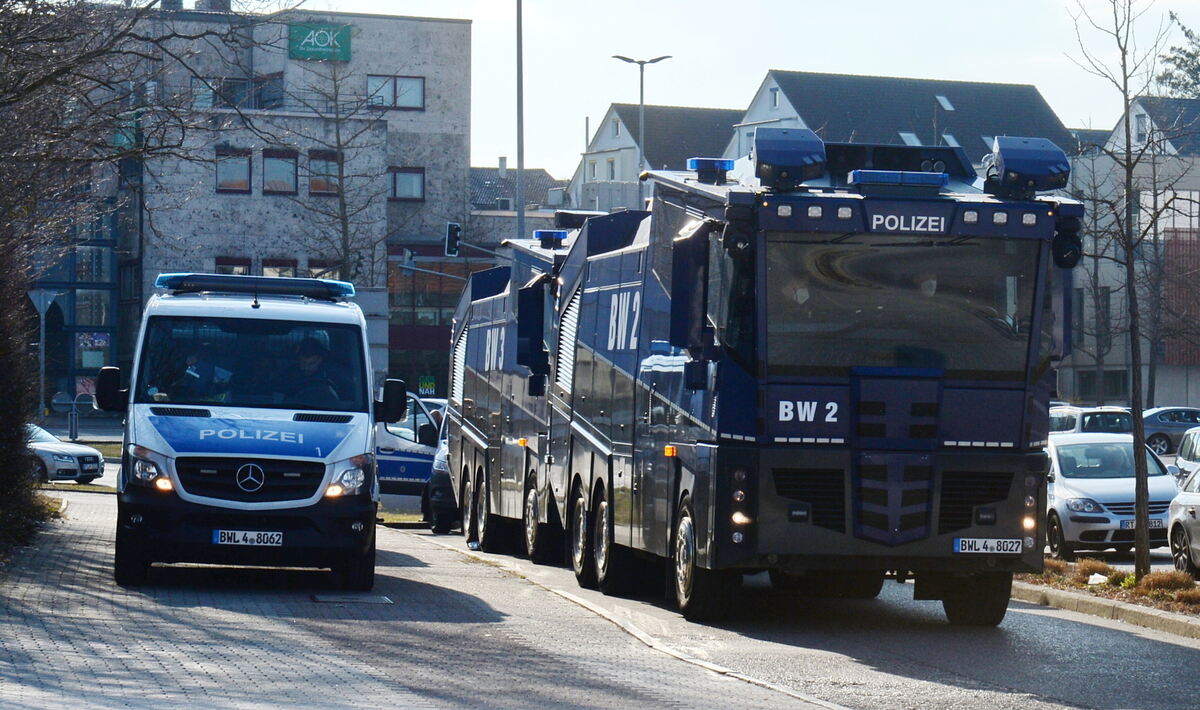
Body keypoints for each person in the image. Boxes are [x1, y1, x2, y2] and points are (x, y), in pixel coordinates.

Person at [286, 337, 341, 407]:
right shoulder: (287, 374)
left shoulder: (333, 376)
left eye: (311, 363)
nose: (306, 367)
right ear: (298, 359)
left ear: (320, 360)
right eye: (303, 362)